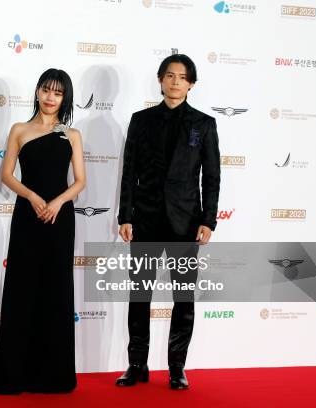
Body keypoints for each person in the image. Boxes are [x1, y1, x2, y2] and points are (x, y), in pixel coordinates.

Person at [0, 68, 86, 394]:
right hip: (27, 216)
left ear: (64, 97)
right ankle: (13, 372)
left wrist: (56, 203)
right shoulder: (20, 130)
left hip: (59, 219)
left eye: (57, 92)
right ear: (37, 92)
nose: (50, 97)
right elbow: (7, 175)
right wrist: (32, 196)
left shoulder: (72, 134)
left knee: (55, 291)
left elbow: (80, 181)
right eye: (45, 90)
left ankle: (52, 376)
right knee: (22, 289)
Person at [116, 54, 220, 390]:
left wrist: (208, 220)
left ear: (191, 83)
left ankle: (177, 368)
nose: (175, 82)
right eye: (170, 75)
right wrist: (125, 215)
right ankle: (137, 365)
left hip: (186, 221)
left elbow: (212, 177)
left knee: (184, 299)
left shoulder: (203, 125)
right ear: (160, 80)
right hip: (145, 220)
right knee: (139, 296)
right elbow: (128, 171)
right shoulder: (141, 120)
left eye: (182, 77)